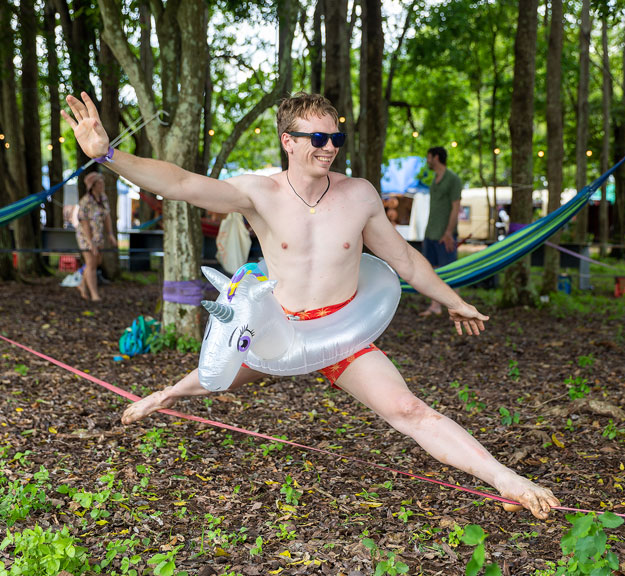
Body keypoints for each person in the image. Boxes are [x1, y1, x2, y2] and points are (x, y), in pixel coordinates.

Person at [62, 91, 559, 519]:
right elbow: (181, 183)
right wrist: (108, 156)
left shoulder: (359, 194)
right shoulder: (258, 192)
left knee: (408, 409)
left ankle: (507, 480)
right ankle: (164, 395)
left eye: (335, 138)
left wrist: (455, 301)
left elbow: (405, 261)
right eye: (317, 139)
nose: (329, 148)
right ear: (289, 141)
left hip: (342, 332)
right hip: (281, 331)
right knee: (218, 376)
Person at [420, 146, 463, 317]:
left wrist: (448, 232)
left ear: (436, 157)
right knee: (432, 270)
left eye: (428, 157)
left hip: (445, 235)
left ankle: (458, 307)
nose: (427, 160)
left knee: (450, 271)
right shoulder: (434, 179)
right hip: (431, 233)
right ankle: (435, 306)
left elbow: (455, 208)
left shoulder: (453, 179)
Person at [75, 171, 117, 301]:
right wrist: (90, 243)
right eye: (99, 182)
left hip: (98, 235)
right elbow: (85, 224)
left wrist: (110, 234)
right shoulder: (85, 202)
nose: (102, 184)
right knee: (91, 263)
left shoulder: (103, 198)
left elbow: (107, 216)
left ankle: (82, 284)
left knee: (96, 262)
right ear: (93, 186)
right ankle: (94, 294)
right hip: (86, 236)